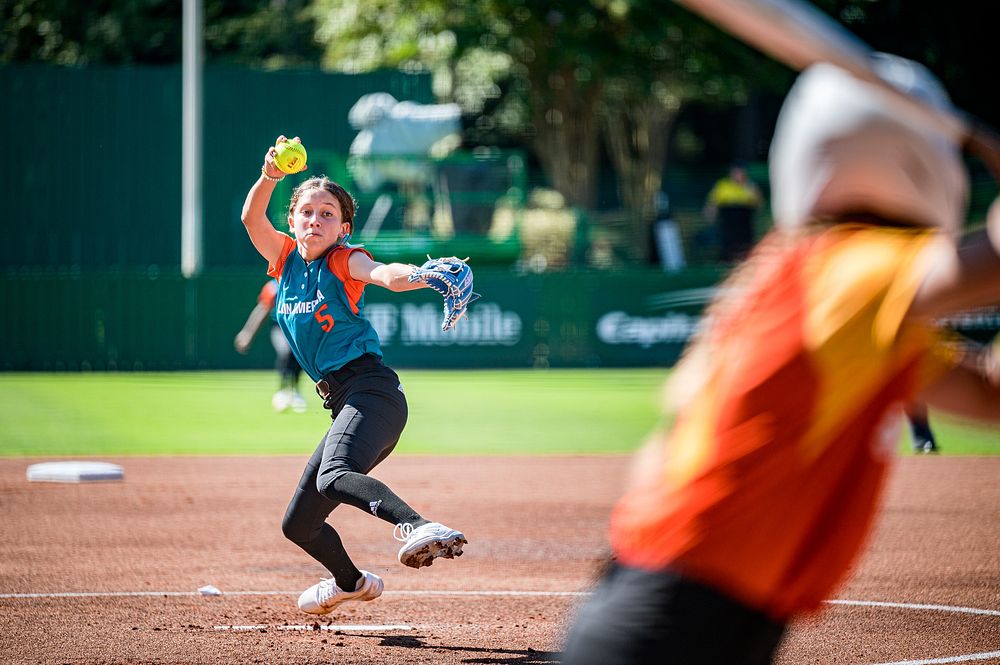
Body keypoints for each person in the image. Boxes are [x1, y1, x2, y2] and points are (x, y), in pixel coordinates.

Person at [561, 54, 1000, 665]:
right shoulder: (851, 267)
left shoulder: (822, 284)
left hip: (684, 601)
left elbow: (987, 395)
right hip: (680, 611)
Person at [240, 135, 468, 616]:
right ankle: (351, 582)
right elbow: (249, 219)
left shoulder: (344, 260)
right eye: (307, 212)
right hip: (344, 402)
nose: (316, 219)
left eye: (328, 214)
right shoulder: (283, 261)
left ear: (343, 228)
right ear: (293, 221)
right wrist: (270, 176)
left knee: (335, 476)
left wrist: (424, 275)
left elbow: (384, 272)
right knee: (298, 525)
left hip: (373, 393)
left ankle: (415, 524)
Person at [234, 279, 309, 413]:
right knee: (285, 352)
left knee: (298, 358)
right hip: (280, 329)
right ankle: (282, 391)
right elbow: (262, 310)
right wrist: (247, 333)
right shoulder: (274, 286)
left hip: (298, 331)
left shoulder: (306, 282)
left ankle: (295, 391)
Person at [703, 161, 763, 262]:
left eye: (741, 172)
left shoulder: (750, 186)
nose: (738, 175)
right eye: (736, 172)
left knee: (745, 247)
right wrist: (710, 214)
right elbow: (712, 203)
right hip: (728, 222)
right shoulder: (723, 185)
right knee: (727, 246)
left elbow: (758, 204)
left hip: (744, 222)